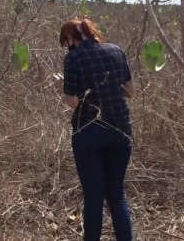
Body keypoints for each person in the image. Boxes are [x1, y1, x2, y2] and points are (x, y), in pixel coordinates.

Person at [59, 17, 134, 241]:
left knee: (94, 197)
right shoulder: (116, 50)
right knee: (117, 196)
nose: (67, 46)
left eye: (66, 41)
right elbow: (130, 91)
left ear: (72, 38)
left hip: (89, 130)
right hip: (121, 130)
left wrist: (61, 88)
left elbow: (72, 101)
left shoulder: (73, 58)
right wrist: (108, 90)